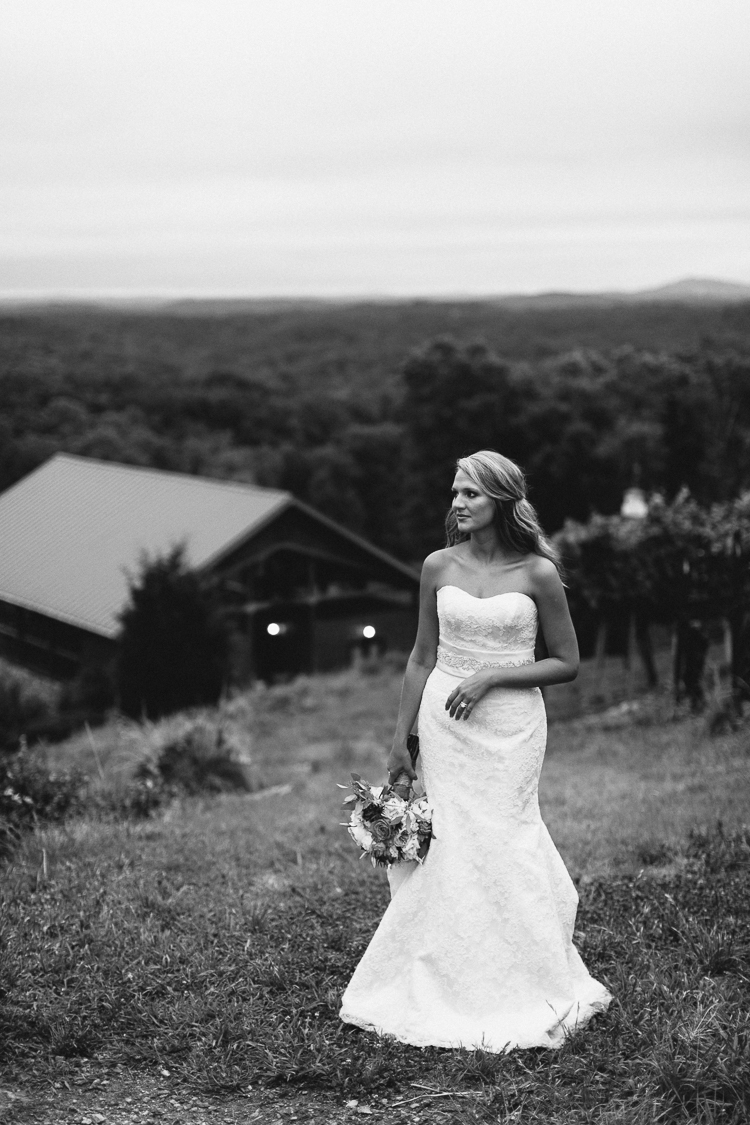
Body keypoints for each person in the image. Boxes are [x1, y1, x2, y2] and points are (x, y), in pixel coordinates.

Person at [340, 450, 611, 1050]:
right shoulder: (437, 565)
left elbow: (565, 663)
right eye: (455, 493)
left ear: (502, 502)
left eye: (471, 495)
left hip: (512, 725)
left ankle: (525, 977)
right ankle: (446, 973)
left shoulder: (538, 573)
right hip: (444, 725)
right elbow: (420, 656)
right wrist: (400, 737)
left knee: (507, 835)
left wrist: (494, 676)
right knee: (453, 841)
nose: (457, 504)